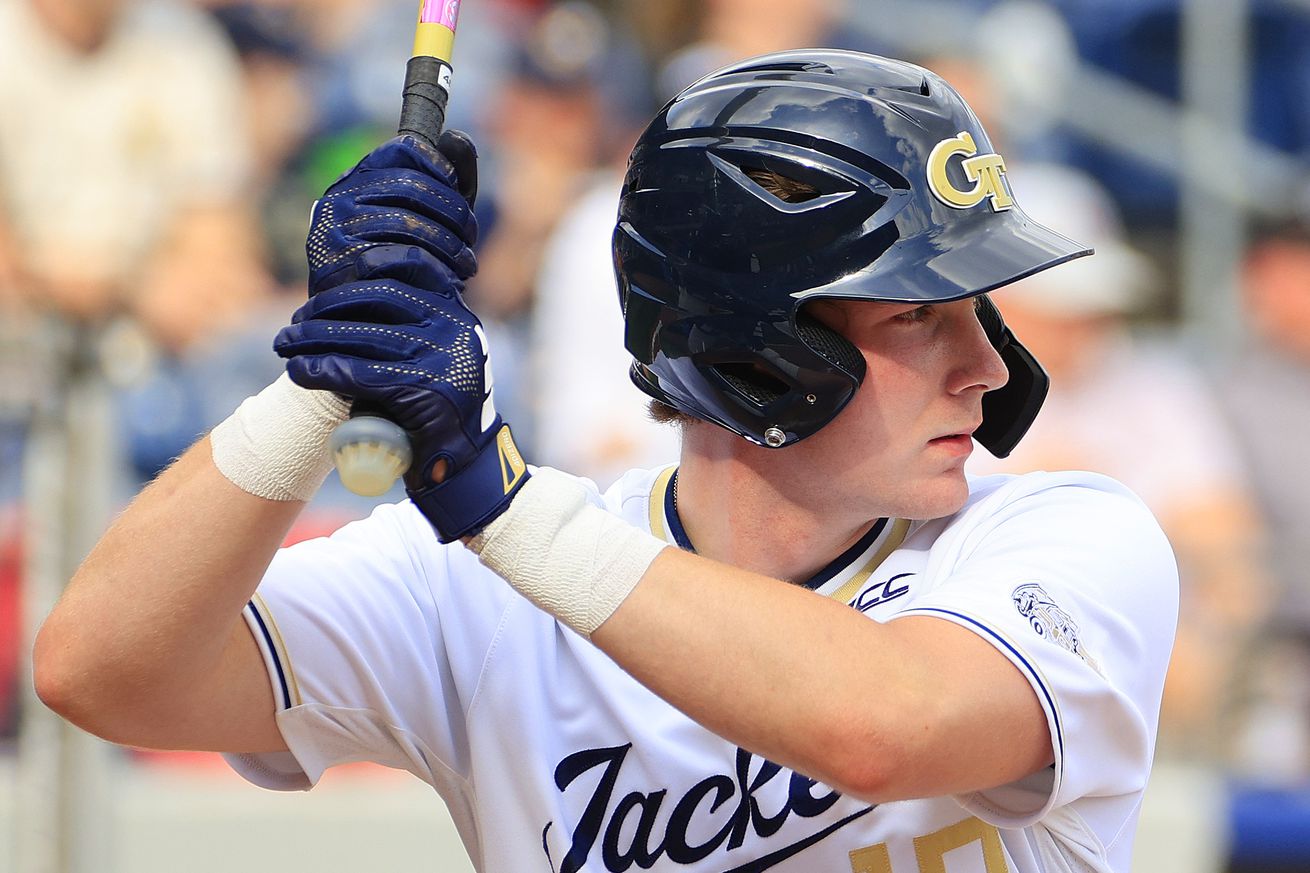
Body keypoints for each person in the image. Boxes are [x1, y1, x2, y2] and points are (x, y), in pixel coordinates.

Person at [34, 51, 1179, 872]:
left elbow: (882, 727)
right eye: (917, 317)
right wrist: (319, 378)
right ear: (752, 343)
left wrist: (498, 506)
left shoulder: (1065, 536)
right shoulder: (462, 588)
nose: (986, 369)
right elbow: (100, 672)